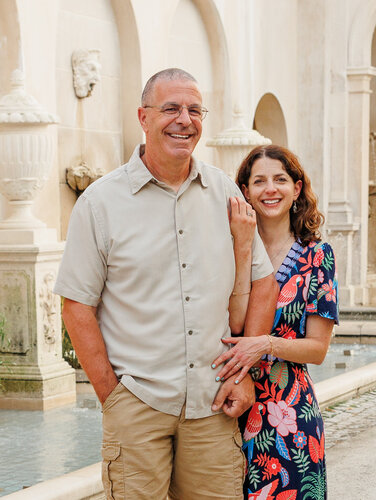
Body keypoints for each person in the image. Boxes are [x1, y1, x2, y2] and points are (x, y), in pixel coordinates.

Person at [54, 68, 279, 500]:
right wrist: (113, 396)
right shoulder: (100, 203)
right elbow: (76, 306)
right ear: (143, 117)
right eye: (171, 108)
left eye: (195, 110)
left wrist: (243, 371)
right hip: (137, 406)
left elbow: (263, 282)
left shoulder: (225, 192)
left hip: (214, 407)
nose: (184, 119)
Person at [212, 145, 339, 499]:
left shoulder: (317, 256)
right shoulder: (225, 249)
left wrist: (265, 344)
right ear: (245, 192)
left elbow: (317, 349)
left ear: (296, 188)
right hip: (227, 408)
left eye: (280, 179)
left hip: (290, 416)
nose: (270, 189)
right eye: (259, 181)